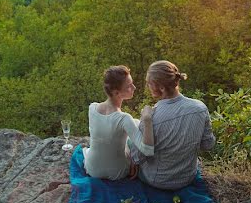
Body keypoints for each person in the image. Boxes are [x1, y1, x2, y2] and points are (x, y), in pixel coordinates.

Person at [130, 60, 215, 190]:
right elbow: (208, 145)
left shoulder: (151, 117)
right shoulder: (200, 108)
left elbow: (137, 157)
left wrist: (143, 121)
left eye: (149, 83)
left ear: (162, 88)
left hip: (157, 180)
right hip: (188, 177)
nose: (147, 86)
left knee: (129, 140)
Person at [84, 66, 155, 180]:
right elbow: (147, 150)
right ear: (116, 92)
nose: (134, 87)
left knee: (133, 125)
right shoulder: (124, 119)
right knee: (133, 133)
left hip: (92, 170)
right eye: (129, 86)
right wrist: (147, 120)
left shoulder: (92, 108)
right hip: (118, 172)